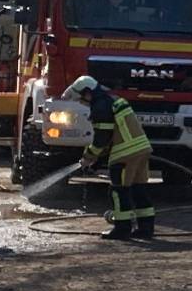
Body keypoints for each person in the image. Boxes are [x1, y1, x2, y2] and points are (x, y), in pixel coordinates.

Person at [63, 74, 154, 240]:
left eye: (81, 98)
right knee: (138, 189)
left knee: (118, 191)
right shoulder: (113, 100)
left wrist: (88, 156)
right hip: (141, 149)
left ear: (87, 92)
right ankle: (146, 228)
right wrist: (97, 159)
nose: (82, 102)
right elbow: (111, 135)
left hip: (125, 153)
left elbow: (102, 138)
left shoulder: (100, 106)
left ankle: (122, 229)